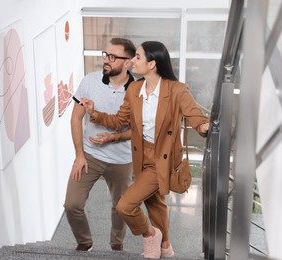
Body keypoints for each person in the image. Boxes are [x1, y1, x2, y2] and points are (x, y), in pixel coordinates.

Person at [81, 41, 210, 259]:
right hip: (141, 156)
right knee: (155, 204)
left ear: (152, 64)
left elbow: (195, 115)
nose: (132, 61)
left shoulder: (177, 90)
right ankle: (165, 247)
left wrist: (204, 126)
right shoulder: (134, 89)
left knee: (125, 205)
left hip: (162, 157)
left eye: (138, 57)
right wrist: (94, 113)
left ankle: (150, 235)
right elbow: (119, 121)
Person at [63, 38, 136, 252]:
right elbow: (75, 118)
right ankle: (84, 243)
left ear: (128, 62)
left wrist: (113, 138)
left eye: (113, 57)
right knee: (72, 205)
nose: (106, 60)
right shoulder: (90, 81)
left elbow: (138, 130)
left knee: (121, 208)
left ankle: (116, 244)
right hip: (90, 155)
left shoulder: (138, 90)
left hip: (122, 160)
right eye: (106, 55)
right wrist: (79, 155)